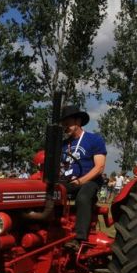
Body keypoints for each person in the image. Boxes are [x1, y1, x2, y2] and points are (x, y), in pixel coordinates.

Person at [58, 105, 107, 251]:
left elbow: (99, 167)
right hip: (68, 181)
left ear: (78, 121)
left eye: (68, 123)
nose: (65, 126)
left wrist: (80, 181)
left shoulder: (94, 140)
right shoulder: (62, 145)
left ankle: (79, 239)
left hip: (89, 181)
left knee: (83, 198)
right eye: (63, 123)